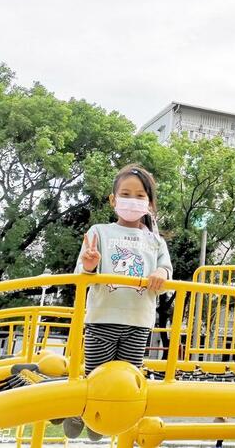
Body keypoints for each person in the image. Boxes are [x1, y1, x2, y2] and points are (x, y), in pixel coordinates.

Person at [63, 164, 173, 441]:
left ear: (148, 203)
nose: (132, 200)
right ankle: (78, 411)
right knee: (95, 375)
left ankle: (105, 421)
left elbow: (167, 271)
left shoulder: (156, 241)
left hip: (138, 322)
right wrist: (89, 266)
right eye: (126, 193)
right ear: (113, 200)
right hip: (102, 318)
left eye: (139, 195)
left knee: (127, 381)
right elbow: (81, 276)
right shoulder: (99, 232)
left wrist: (161, 273)